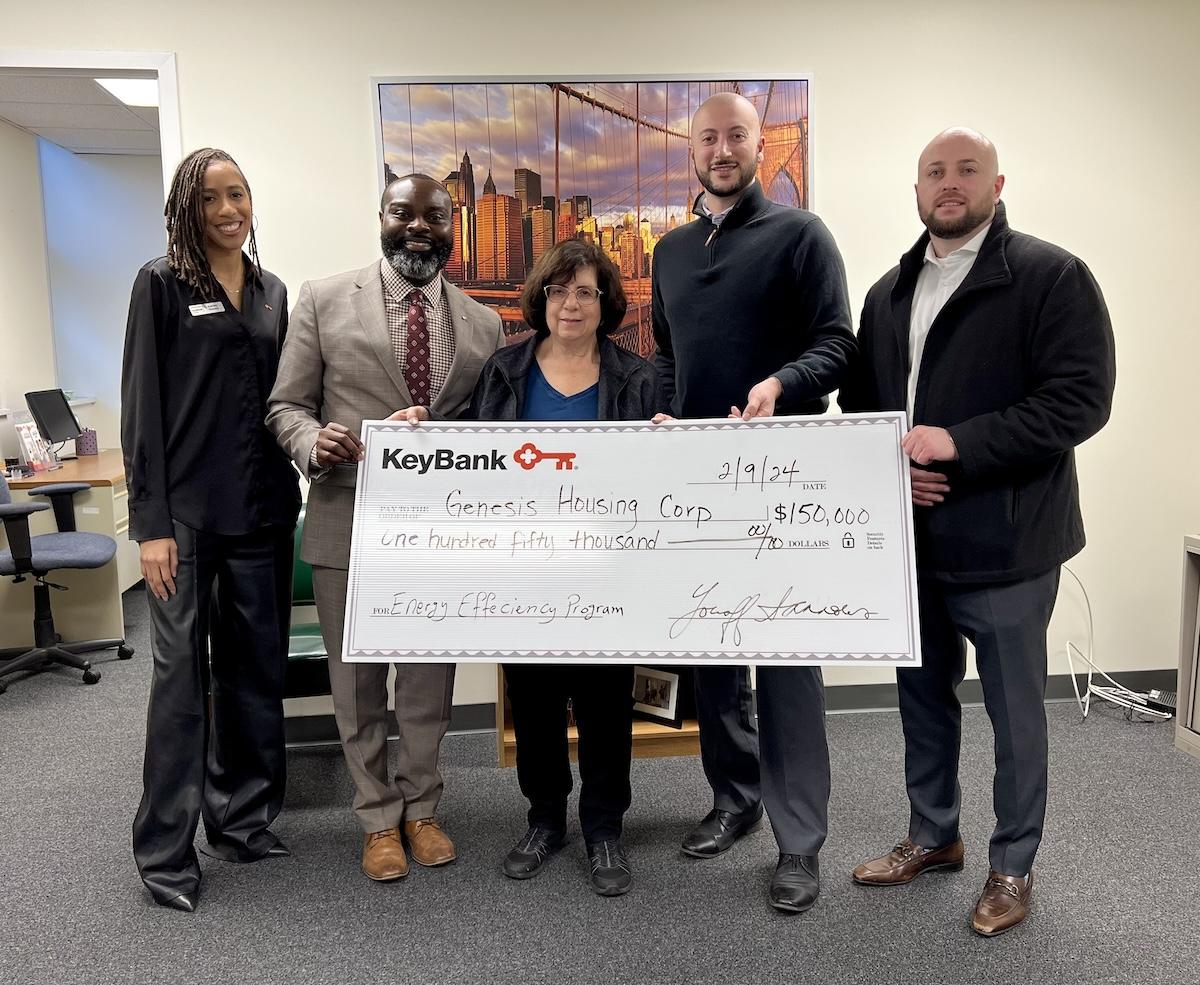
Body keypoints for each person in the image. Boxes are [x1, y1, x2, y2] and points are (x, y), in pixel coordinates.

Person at [840, 127, 1115, 936]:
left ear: (999, 184)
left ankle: (1012, 863)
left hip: (1007, 543)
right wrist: (892, 466)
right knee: (922, 701)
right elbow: (866, 409)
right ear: (916, 189)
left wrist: (959, 442)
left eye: (966, 171)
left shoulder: (1050, 275)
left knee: (1014, 715)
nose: (948, 184)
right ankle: (934, 835)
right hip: (914, 540)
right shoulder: (889, 290)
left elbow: (1080, 400)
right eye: (934, 172)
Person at [651, 92, 856, 913]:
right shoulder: (667, 249)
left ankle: (799, 840)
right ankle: (734, 797)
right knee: (710, 659)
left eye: (737, 135)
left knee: (786, 666)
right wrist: (661, 413)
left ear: (758, 142)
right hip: (697, 484)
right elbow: (667, 355)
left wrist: (779, 382)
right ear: (691, 150)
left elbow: (838, 342)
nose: (723, 148)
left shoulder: (802, 235)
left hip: (781, 483)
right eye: (708, 138)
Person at [266, 173, 503, 883]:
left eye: (434, 216)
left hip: (439, 535)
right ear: (381, 218)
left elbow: (487, 432)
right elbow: (285, 407)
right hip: (350, 522)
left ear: (451, 227)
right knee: (360, 683)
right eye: (405, 213)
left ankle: (423, 808)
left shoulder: (484, 323)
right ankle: (376, 818)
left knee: (429, 684)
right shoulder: (323, 298)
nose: (419, 227)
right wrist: (317, 443)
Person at [433, 239, 654, 896]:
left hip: (605, 571)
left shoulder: (637, 378)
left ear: (605, 302)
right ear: (542, 297)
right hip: (524, 571)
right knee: (533, 702)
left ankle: (605, 826)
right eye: (559, 290)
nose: (572, 303)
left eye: (586, 291)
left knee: (606, 703)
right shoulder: (503, 373)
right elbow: (472, 461)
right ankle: (545, 819)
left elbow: (654, 477)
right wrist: (418, 439)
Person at [122, 147, 302, 912]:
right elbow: (142, 406)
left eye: (238, 195)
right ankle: (165, 851)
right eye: (210, 200)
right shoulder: (160, 285)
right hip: (186, 522)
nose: (228, 210)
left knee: (255, 673)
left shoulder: (271, 291)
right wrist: (151, 522)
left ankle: (243, 817)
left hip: (262, 510)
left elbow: (281, 396)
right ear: (186, 210)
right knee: (180, 683)